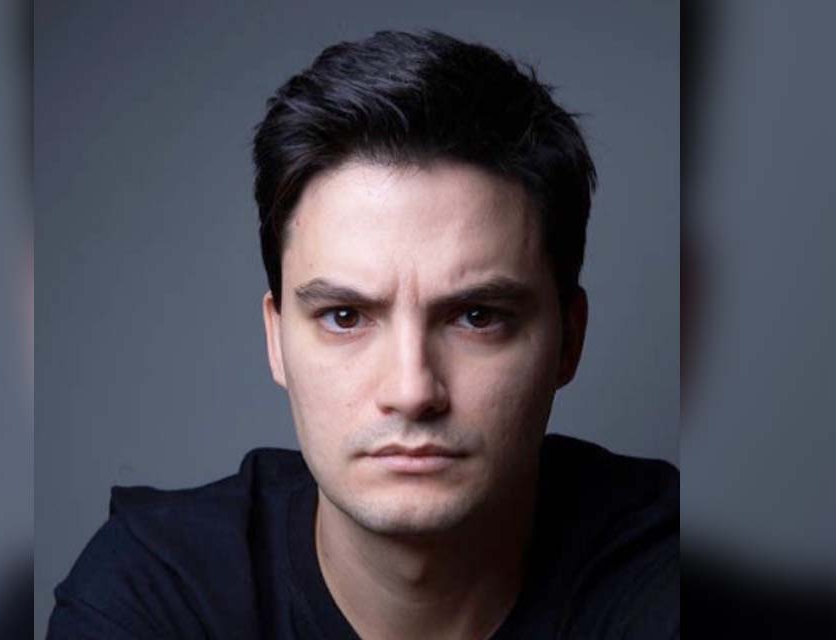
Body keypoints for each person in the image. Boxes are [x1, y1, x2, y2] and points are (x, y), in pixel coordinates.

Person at [47, 30, 677, 639]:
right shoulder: (157, 591)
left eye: (477, 316)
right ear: (276, 340)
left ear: (569, 340)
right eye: (345, 317)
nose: (412, 391)